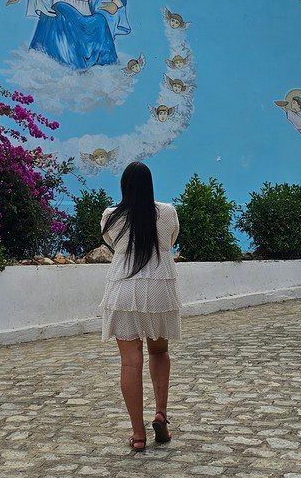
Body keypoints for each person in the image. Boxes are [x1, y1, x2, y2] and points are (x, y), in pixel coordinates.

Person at [99, 161, 181, 451]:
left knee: (130, 362)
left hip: (123, 289)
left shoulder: (111, 217)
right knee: (160, 351)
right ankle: (160, 413)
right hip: (158, 288)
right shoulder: (167, 212)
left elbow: (111, 244)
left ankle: (138, 435)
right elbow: (170, 241)